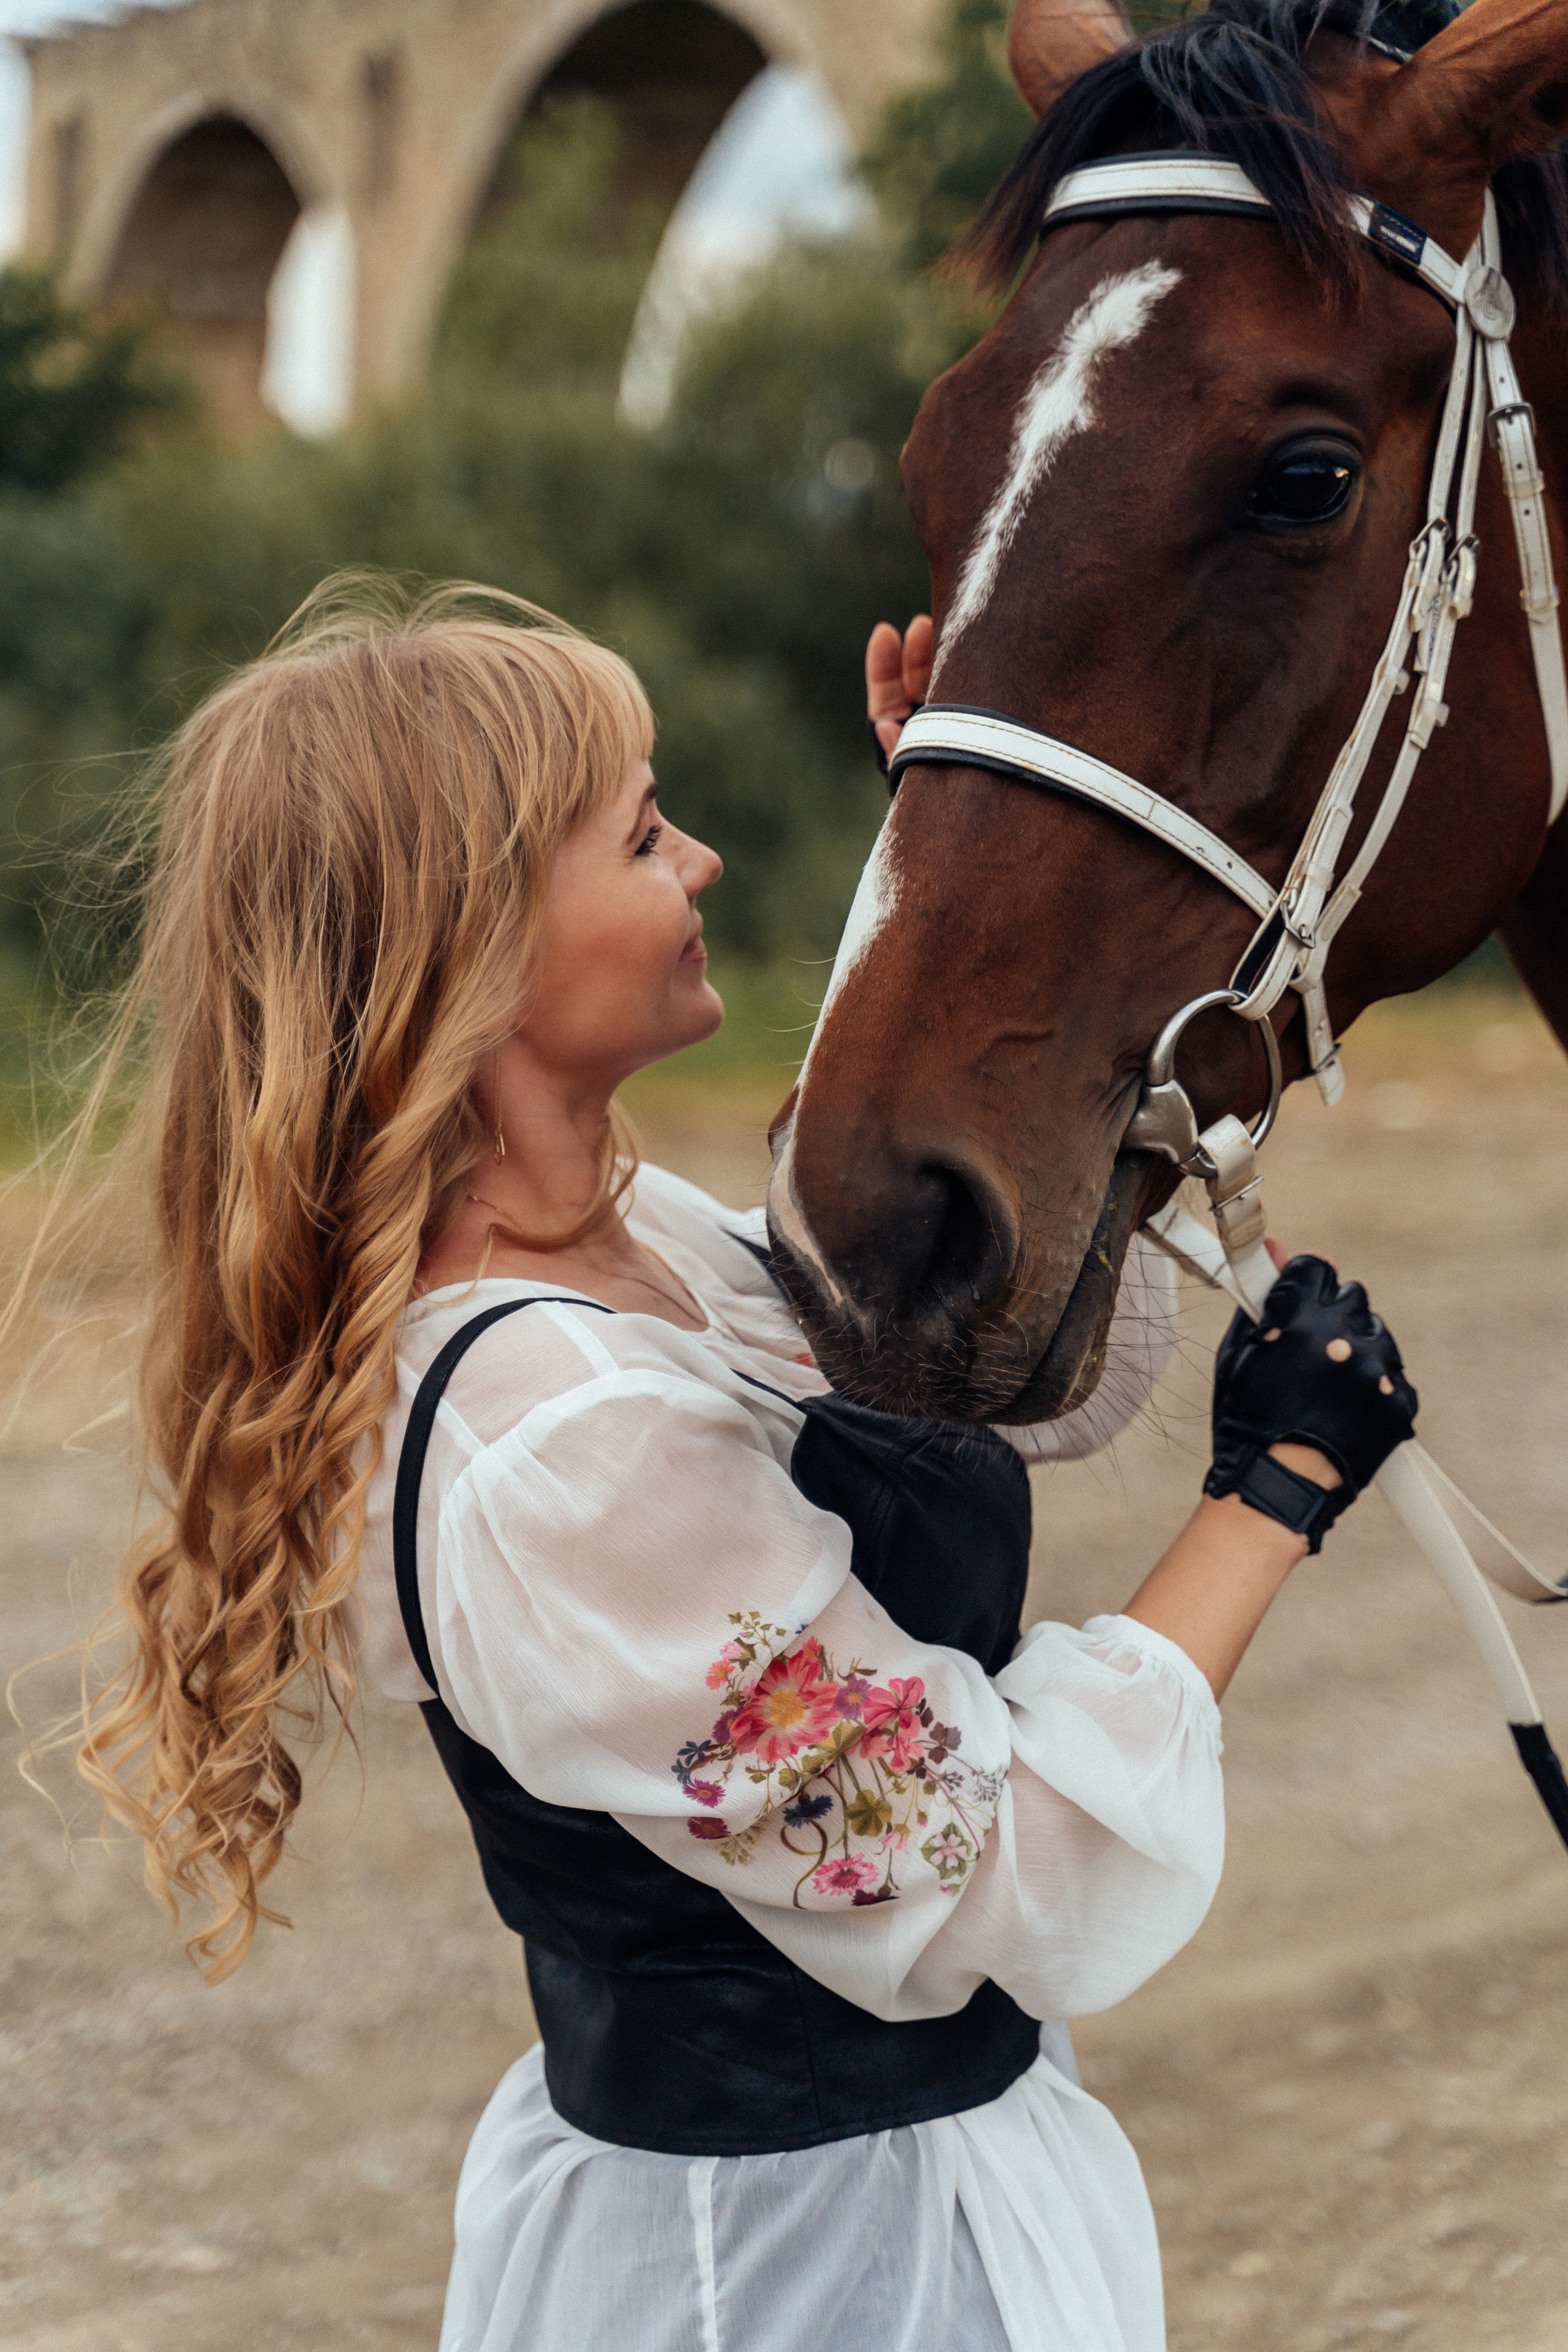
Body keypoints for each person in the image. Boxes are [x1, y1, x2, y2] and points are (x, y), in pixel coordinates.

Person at [56, 580, 1417, 2352]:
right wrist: (1276, 1494)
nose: (697, 861)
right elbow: (981, 1871)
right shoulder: (559, 1447)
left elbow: (978, 1372)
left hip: (911, 2206)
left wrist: (968, 876)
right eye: (640, 834)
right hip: (792, 2273)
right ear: (469, 947)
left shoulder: (650, 1244)